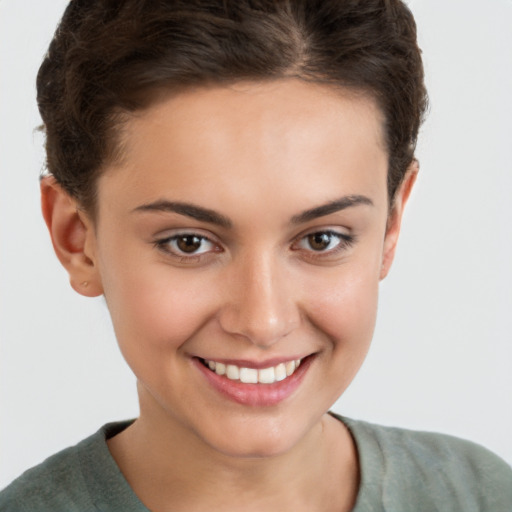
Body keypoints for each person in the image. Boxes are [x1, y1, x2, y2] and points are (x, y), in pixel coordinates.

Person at [1, 0, 511, 510]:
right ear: (77, 240)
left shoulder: (483, 494)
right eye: (189, 242)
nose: (262, 322)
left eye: (321, 239)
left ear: (390, 228)